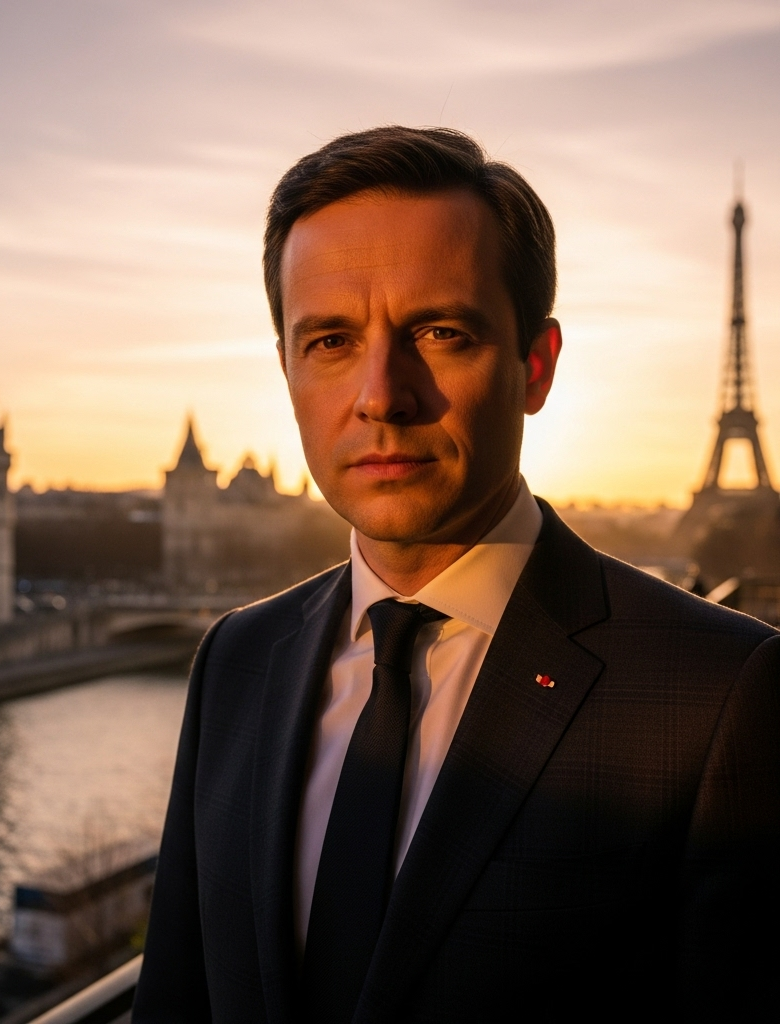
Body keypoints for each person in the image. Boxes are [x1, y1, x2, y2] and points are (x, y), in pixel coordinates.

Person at [132, 127, 780, 1023]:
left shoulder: (720, 695)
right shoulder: (236, 660)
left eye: (439, 331)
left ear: (535, 367)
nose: (381, 394)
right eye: (329, 340)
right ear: (285, 368)